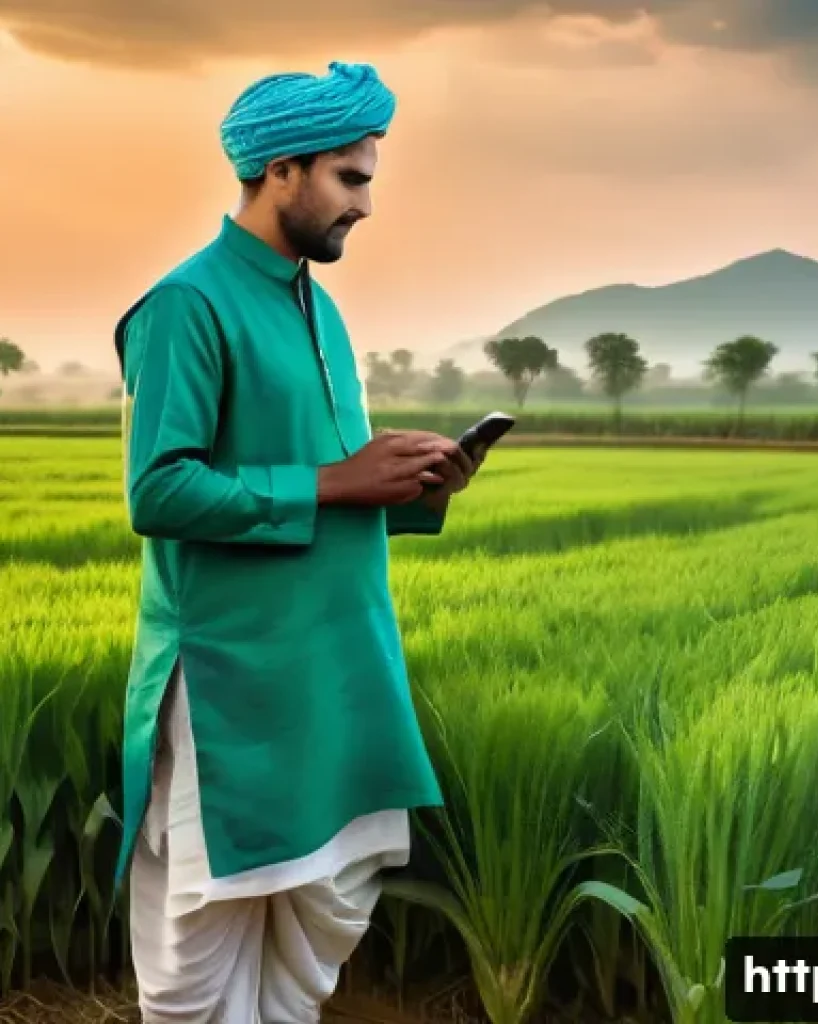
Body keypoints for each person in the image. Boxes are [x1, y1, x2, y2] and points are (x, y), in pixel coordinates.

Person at [112, 59, 482, 1022]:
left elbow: (330, 481)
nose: (366, 203)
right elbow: (160, 488)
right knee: (200, 945)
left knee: (325, 914)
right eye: (350, 178)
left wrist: (411, 486)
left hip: (338, 672)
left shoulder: (319, 308)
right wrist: (337, 479)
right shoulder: (187, 306)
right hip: (237, 679)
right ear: (281, 169)